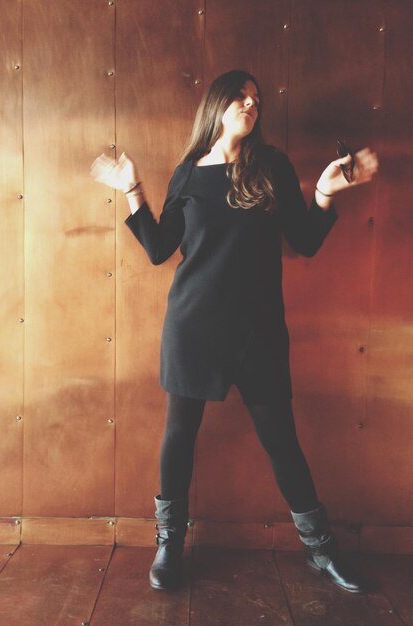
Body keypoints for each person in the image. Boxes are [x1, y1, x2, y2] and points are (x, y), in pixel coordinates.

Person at [90, 69, 379, 594]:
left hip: (260, 330)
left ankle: (322, 551)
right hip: (193, 326)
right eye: (241, 97)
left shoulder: (272, 165)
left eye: (257, 100)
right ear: (217, 105)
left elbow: (306, 241)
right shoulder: (187, 173)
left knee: (282, 443)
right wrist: (132, 187)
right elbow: (159, 249)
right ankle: (168, 547)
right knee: (179, 438)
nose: (251, 104)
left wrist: (325, 193)